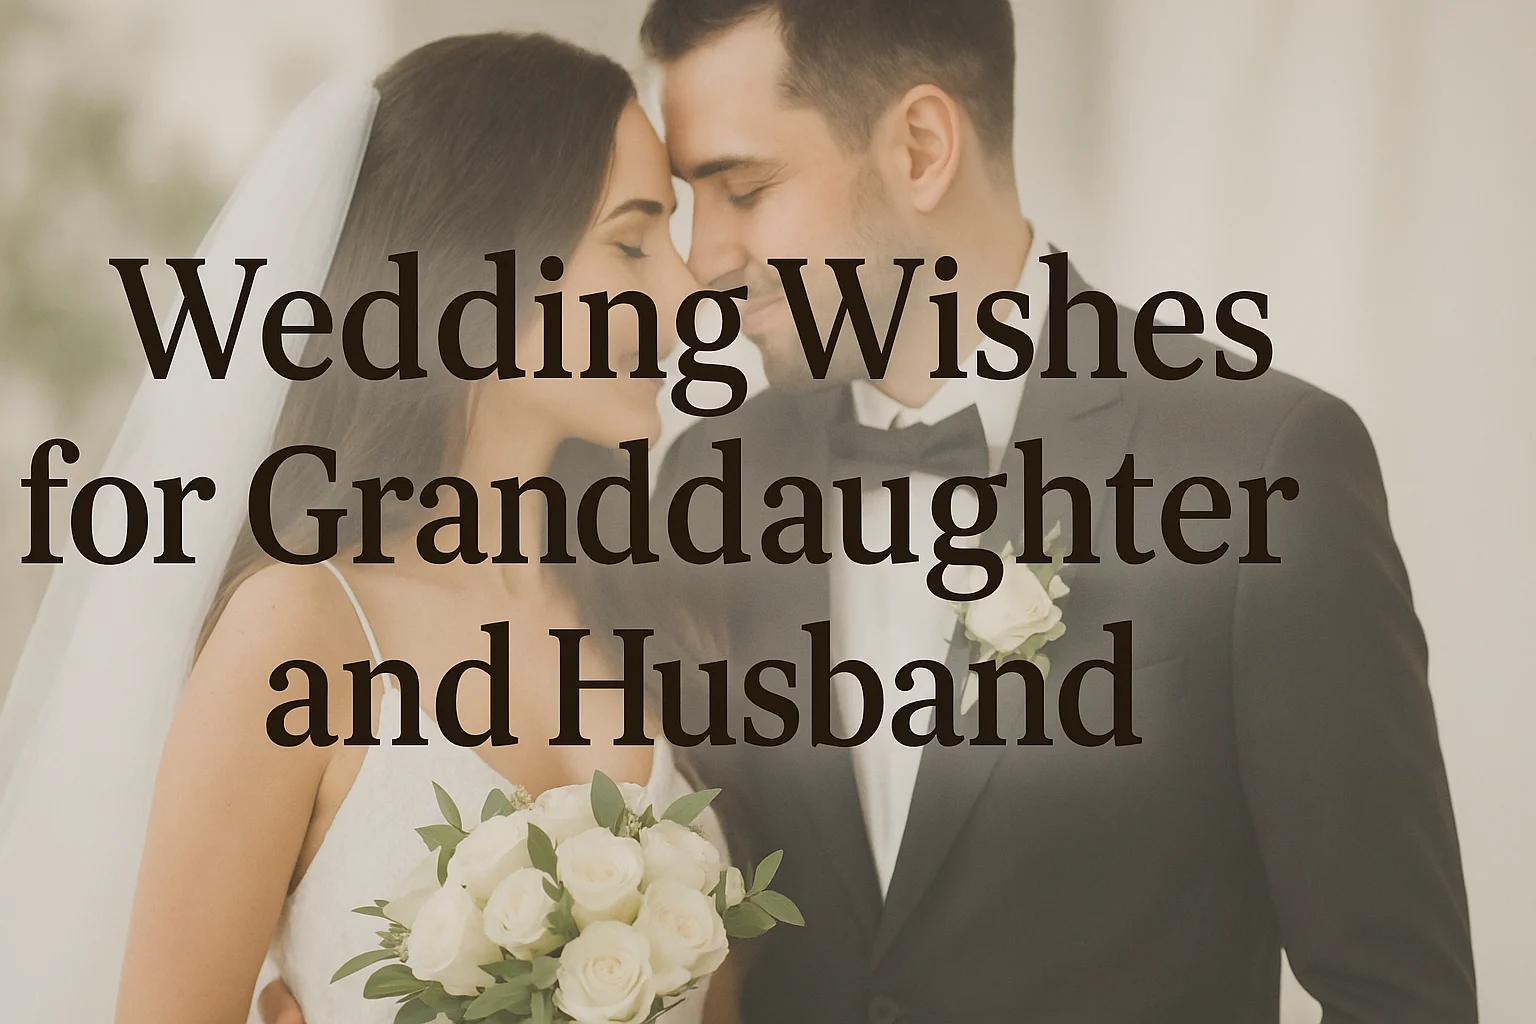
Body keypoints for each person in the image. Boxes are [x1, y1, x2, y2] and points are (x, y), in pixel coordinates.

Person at [259, 1, 1476, 1022]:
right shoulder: (702, 491)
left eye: (743, 188)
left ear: (921, 147)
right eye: (681, 211)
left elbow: (1397, 991)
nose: (706, 262)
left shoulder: (1267, 458)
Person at [0, 31, 748, 1024]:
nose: (687, 293)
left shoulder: (660, 604)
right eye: (630, 240)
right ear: (485, 260)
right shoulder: (298, 629)